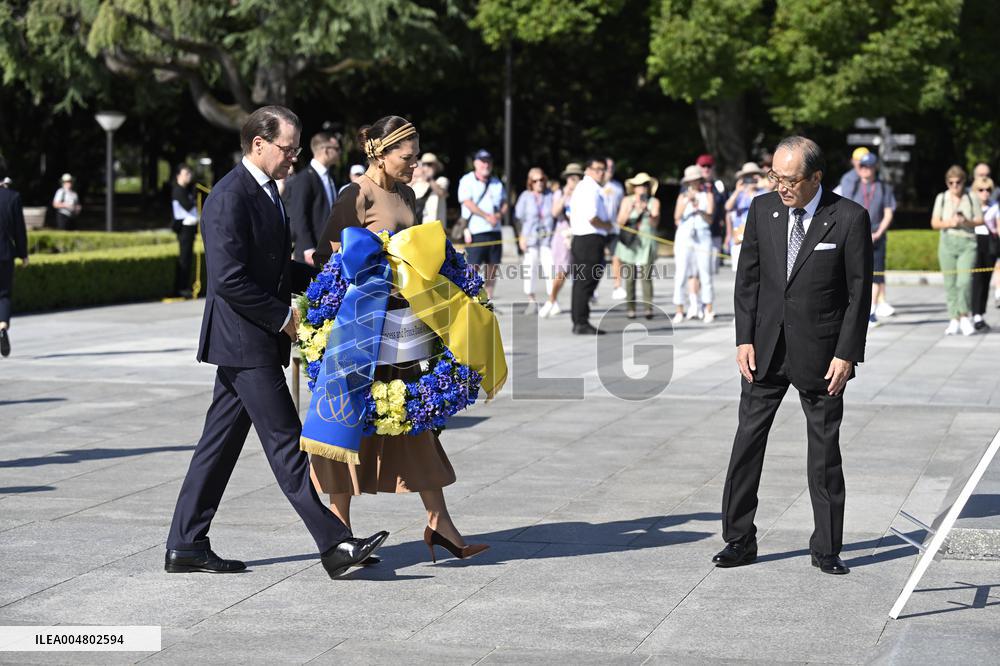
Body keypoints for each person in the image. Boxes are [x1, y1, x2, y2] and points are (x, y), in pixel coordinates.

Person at [165, 106, 387, 579]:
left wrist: (330, 276)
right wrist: (284, 317)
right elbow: (228, 280)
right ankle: (334, 544)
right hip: (245, 342)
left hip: (250, 342)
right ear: (258, 144)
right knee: (288, 445)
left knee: (217, 447)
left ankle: (185, 544)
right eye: (288, 148)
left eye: (297, 149)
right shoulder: (229, 196)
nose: (294, 157)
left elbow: (273, 268)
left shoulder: (267, 192)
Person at [312, 115, 489, 564]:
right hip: (360, 333)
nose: (415, 166)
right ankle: (341, 531)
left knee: (416, 424)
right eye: (407, 158)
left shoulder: (407, 195)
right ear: (380, 154)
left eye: (415, 157)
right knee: (346, 422)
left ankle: (440, 523)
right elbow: (327, 259)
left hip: (405, 331)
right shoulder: (356, 194)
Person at [713, 136, 873, 576]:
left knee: (824, 453)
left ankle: (826, 546)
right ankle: (739, 539)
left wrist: (847, 353)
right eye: (775, 177)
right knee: (746, 443)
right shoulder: (763, 210)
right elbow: (748, 280)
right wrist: (743, 337)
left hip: (821, 354)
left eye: (791, 179)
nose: (781, 186)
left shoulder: (848, 217)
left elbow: (859, 293)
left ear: (816, 177)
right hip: (763, 350)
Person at [843, 152, 896, 326]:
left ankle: (871, 310)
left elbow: (888, 212)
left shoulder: (883, 187)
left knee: (876, 274)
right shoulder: (853, 185)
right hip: (857, 235)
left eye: (869, 167)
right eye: (863, 166)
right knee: (856, 273)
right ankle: (857, 308)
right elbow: (846, 208)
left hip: (877, 235)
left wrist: (879, 232)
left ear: (875, 168)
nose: (865, 170)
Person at [285, 131, 340, 292]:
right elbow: (299, 215)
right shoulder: (305, 178)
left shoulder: (329, 178)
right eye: (336, 148)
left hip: (327, 250)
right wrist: (308, 247)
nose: (339, 152)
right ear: (325, 150)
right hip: (311, 252)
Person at [931, 165, 981, 336]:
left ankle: (965, 316)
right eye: (951, 183)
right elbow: (935, 223)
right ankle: (954, 318)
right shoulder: (942, 198)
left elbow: (980, 220)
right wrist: (950, 223)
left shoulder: (971, 197)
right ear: (947, 183)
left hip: (967, 242)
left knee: (965, 281)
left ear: (963, 182)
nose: (955, 186)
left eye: (958, 182)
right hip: (947, 242)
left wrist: (965, 221)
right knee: (950, 283)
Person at [569, 157, 612, 334]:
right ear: (588, 170)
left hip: (586, 239)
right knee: (585, 281)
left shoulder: (590, 187)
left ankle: (580, 320)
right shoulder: (589, 188)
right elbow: (592, 217)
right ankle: (580, 321)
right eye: (597, 169)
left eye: (603, 169)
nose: (601, 172)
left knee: (583, 281)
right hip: (589, 239)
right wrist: (609, 226)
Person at [458, 149, 507, 299]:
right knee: (472, 268)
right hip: (476, 231)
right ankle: (469, 299)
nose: (486, 165)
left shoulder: (496, 182)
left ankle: (488, 300)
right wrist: (487, 216)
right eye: (482, 161)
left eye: (488, 162)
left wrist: (498, 215)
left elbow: (505, 202)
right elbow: (467, 202)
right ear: (475, 163)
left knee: (492, 268)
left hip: (494, 231)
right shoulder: (467, 180)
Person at [672, 165, 715, 324]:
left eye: (695, 180)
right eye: (690, 181)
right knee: (681, 273)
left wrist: (698, 207)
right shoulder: (682, 196)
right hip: (685, 235)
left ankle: (708, 308)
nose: (693, 183)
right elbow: (676, 216)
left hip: (703, 234)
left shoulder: (707, 195)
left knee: (705, 272)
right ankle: (679, 309)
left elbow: (710, 218)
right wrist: (687, 201)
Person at [615, 172, 660, 319]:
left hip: (646, 243)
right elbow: (620, 222)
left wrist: (646, 209)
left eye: (645, 185)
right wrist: (631, 209)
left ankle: (648, 308)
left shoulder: (654, 202)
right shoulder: (627, 201)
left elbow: (655, 222)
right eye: (639, 185)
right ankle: (631, 308)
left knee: (646, 277)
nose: (642, 188)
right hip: (630, 243)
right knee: (629, 278)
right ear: (634, 187)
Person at [544, 163, 583, 318]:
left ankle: (579, 302)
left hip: (579, 233)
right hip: (563, 235)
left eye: (577, 177)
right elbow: (554, 212)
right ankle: (551, 299)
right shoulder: (560, 193)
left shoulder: (583, 193)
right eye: (571, 177)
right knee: (562, 270)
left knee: (579, 270)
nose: (574, 180)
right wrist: (565, 195)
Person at [515, 167, 555, 314]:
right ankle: (531, 299)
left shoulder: (551, 195)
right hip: (530, 237)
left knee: (550, 268)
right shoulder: (525, 196)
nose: (539, 183)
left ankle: (552, 300)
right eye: (535, 180)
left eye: (541, 179)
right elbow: (518, 218)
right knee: (529, 268)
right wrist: (521, 237)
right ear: (530, 182)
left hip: (548, 238)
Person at [0, 159, 28, 358]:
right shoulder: (13, 197)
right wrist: (23, 254)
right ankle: (2, 326)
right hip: (5, 253)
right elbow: (19, 230)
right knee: (4, 294)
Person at [724, 162, 768, 272]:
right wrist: (737, 190)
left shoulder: (763, 192)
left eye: (754, 176)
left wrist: (761, 185)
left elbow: (768, 207)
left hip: (759, 236)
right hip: (739, 236)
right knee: (739, 272)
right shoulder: (739, 194)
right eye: (747, 176)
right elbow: (727, 207)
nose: (751, 179)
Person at [971, 175, 997, 331]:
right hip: (974, 241)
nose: (985, 193)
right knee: (976, 280)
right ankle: (973, 314)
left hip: (990, 243)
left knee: (986, 279)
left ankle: (980, 313)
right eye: (981, 190)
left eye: (988, 190)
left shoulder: (995, 206)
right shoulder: (971, 206)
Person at [170, 165, 198, 298]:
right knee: (184, 259)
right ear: (178, 176)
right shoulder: (178, 190)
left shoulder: (186, 190)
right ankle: (180, 288)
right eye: (186, 174)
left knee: (188, 258)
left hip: (190, 228)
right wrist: (194, 196)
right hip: (184, 229)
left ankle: (184, 286)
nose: (189, 176)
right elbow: (188, 205)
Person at [696, 154, 727, 273]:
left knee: (711, 270)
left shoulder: (718, 186)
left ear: (713, 168)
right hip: (697, 234)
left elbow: (725, 209)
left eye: (709, 166)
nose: (706, 169)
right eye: (703, 166)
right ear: (698, 167)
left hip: (715, 232)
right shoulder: (692, 186)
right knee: (696, 271)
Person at [602, 158, 625, 301]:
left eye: (612, 167)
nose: (610, 169)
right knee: (596, 259)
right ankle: (592, 290)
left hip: (614, 228)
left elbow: (621, 206)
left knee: (617, 256)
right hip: (598, 228)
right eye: (607, 167)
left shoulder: (618, 187)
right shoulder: (595, 185)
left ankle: (617, 286)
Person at [411, 152, 449, 224]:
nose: (427, 167)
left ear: (436, 167)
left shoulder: (441, 180)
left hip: (433, 224)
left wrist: (429, 179)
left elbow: (441, 193)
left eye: (430, 164)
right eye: (424, 164)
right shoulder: (416, 182)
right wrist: (414, 178)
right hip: (416, 223)